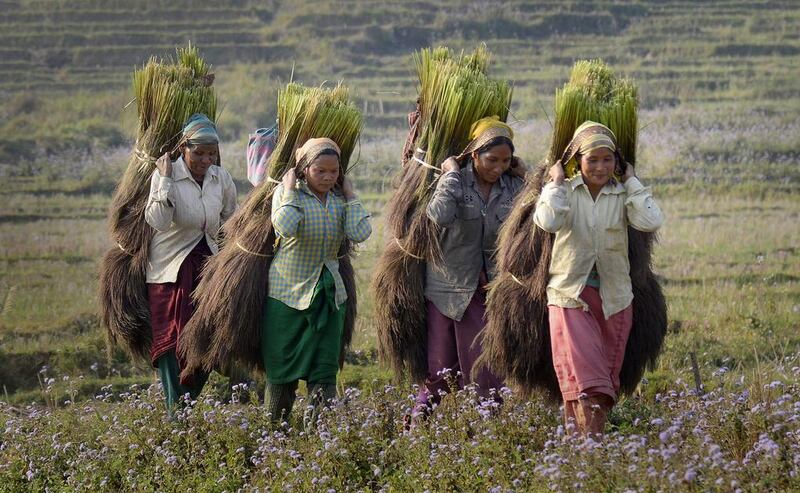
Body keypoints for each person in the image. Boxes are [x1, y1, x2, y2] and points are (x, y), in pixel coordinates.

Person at [533, 121, 664, 436]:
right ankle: (592, 449)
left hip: (615, 299)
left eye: (608, 160)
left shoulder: (621, 196)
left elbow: (650, 219)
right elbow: (547, 221)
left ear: (617, 162)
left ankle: (581, 451)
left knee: (602, 387)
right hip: (570, 297)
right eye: (593, 159)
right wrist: (555, 182)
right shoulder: (564, 193)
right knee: (587, 380)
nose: (601, 167)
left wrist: (632, 181)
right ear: (577, 160)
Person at [413, 116, 526, 419]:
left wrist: (527, 177)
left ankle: (487, 435)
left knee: (488, 372)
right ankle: (416, 429)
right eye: (491, 160)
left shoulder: (514, 187)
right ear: (474, 154)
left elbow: (531, 228)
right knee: (439, 371)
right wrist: (450, 175)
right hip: (447, 291)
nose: (498, 167)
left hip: (490, 292)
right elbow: (437, 215)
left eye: (505, 161)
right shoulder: (455, 180)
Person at [262, 137, 372, 423]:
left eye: (333, 172)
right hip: (287, 295)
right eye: (319, 171)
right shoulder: (289, 194)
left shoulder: (338, 200)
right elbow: (284, 227)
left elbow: (360, 232)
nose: (327, 177)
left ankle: (319, 437)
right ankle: (275, 434)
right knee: (282, 369)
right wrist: (287, 189)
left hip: (329, 296)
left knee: (324, 371)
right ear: (303, 168)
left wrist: (350, 196)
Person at [144, 113, 237, 411]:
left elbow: (229, 221)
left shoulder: (220, 178)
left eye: (211, 153)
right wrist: (166, 180)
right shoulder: (166, 175)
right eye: (198, 153)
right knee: (175, 342)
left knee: (208, 338)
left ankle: (186, 408)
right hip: (171, 274)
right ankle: (176, 412)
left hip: (207, 271)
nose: (205, 160)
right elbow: (157, 221)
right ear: (184, 147)